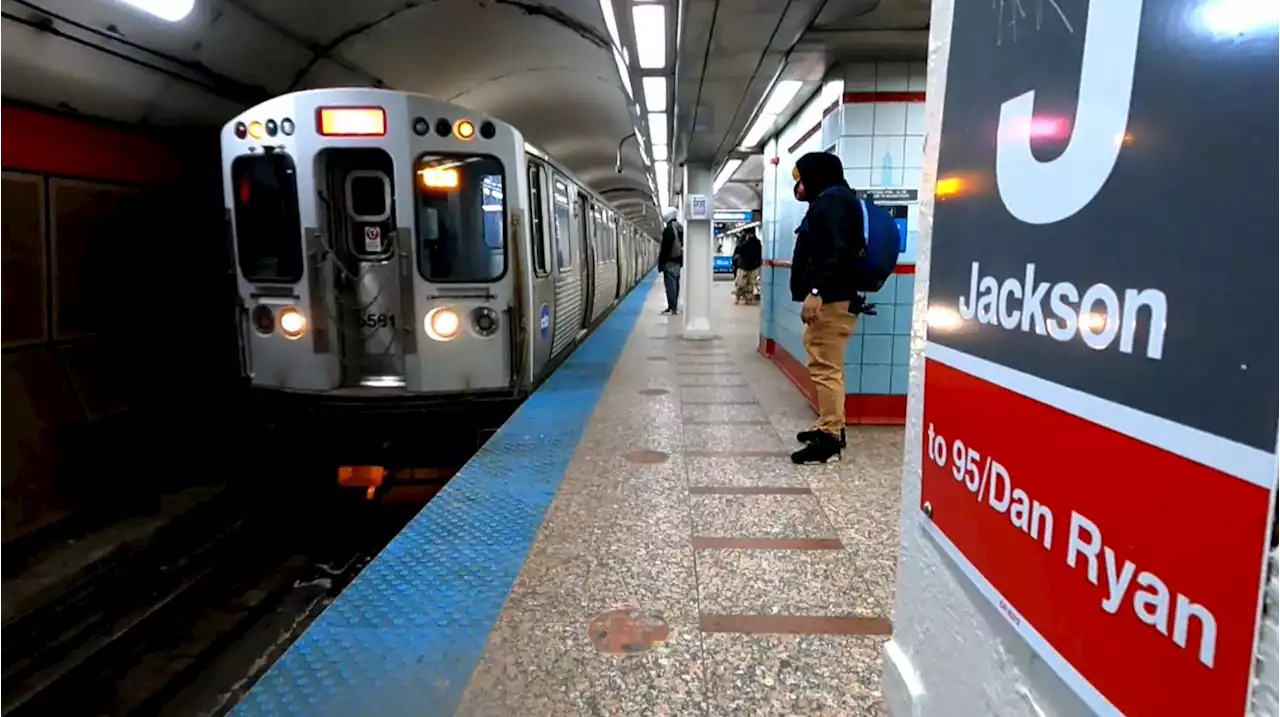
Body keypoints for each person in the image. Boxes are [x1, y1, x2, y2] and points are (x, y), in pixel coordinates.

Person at [788, 152, 864, 464]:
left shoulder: (833, 202)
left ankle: (830, 437)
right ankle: (831, 424)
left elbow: (838, 253)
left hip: (831, 299)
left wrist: (816, 290)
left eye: (802, 178)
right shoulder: (835, 200)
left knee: (825, 366)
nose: (800, 186)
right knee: (825, 363)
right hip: (834, 297)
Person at [658, 207, 683, 315]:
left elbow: (665, 248)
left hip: (669, 261)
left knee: (670, 285)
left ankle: (672, 308)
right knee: (676, 284)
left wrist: (660, 263)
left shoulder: (669, 229)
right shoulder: (680, 227)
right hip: (678, 261)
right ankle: (674, 306)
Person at [731, 228, 763, 304]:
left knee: (744, 283)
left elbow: (739, 251)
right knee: (747, 283)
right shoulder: (755, 242)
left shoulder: (752, 242)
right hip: (749, 266)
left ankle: (742, 298)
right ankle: (744, 298)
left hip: (746, 266)